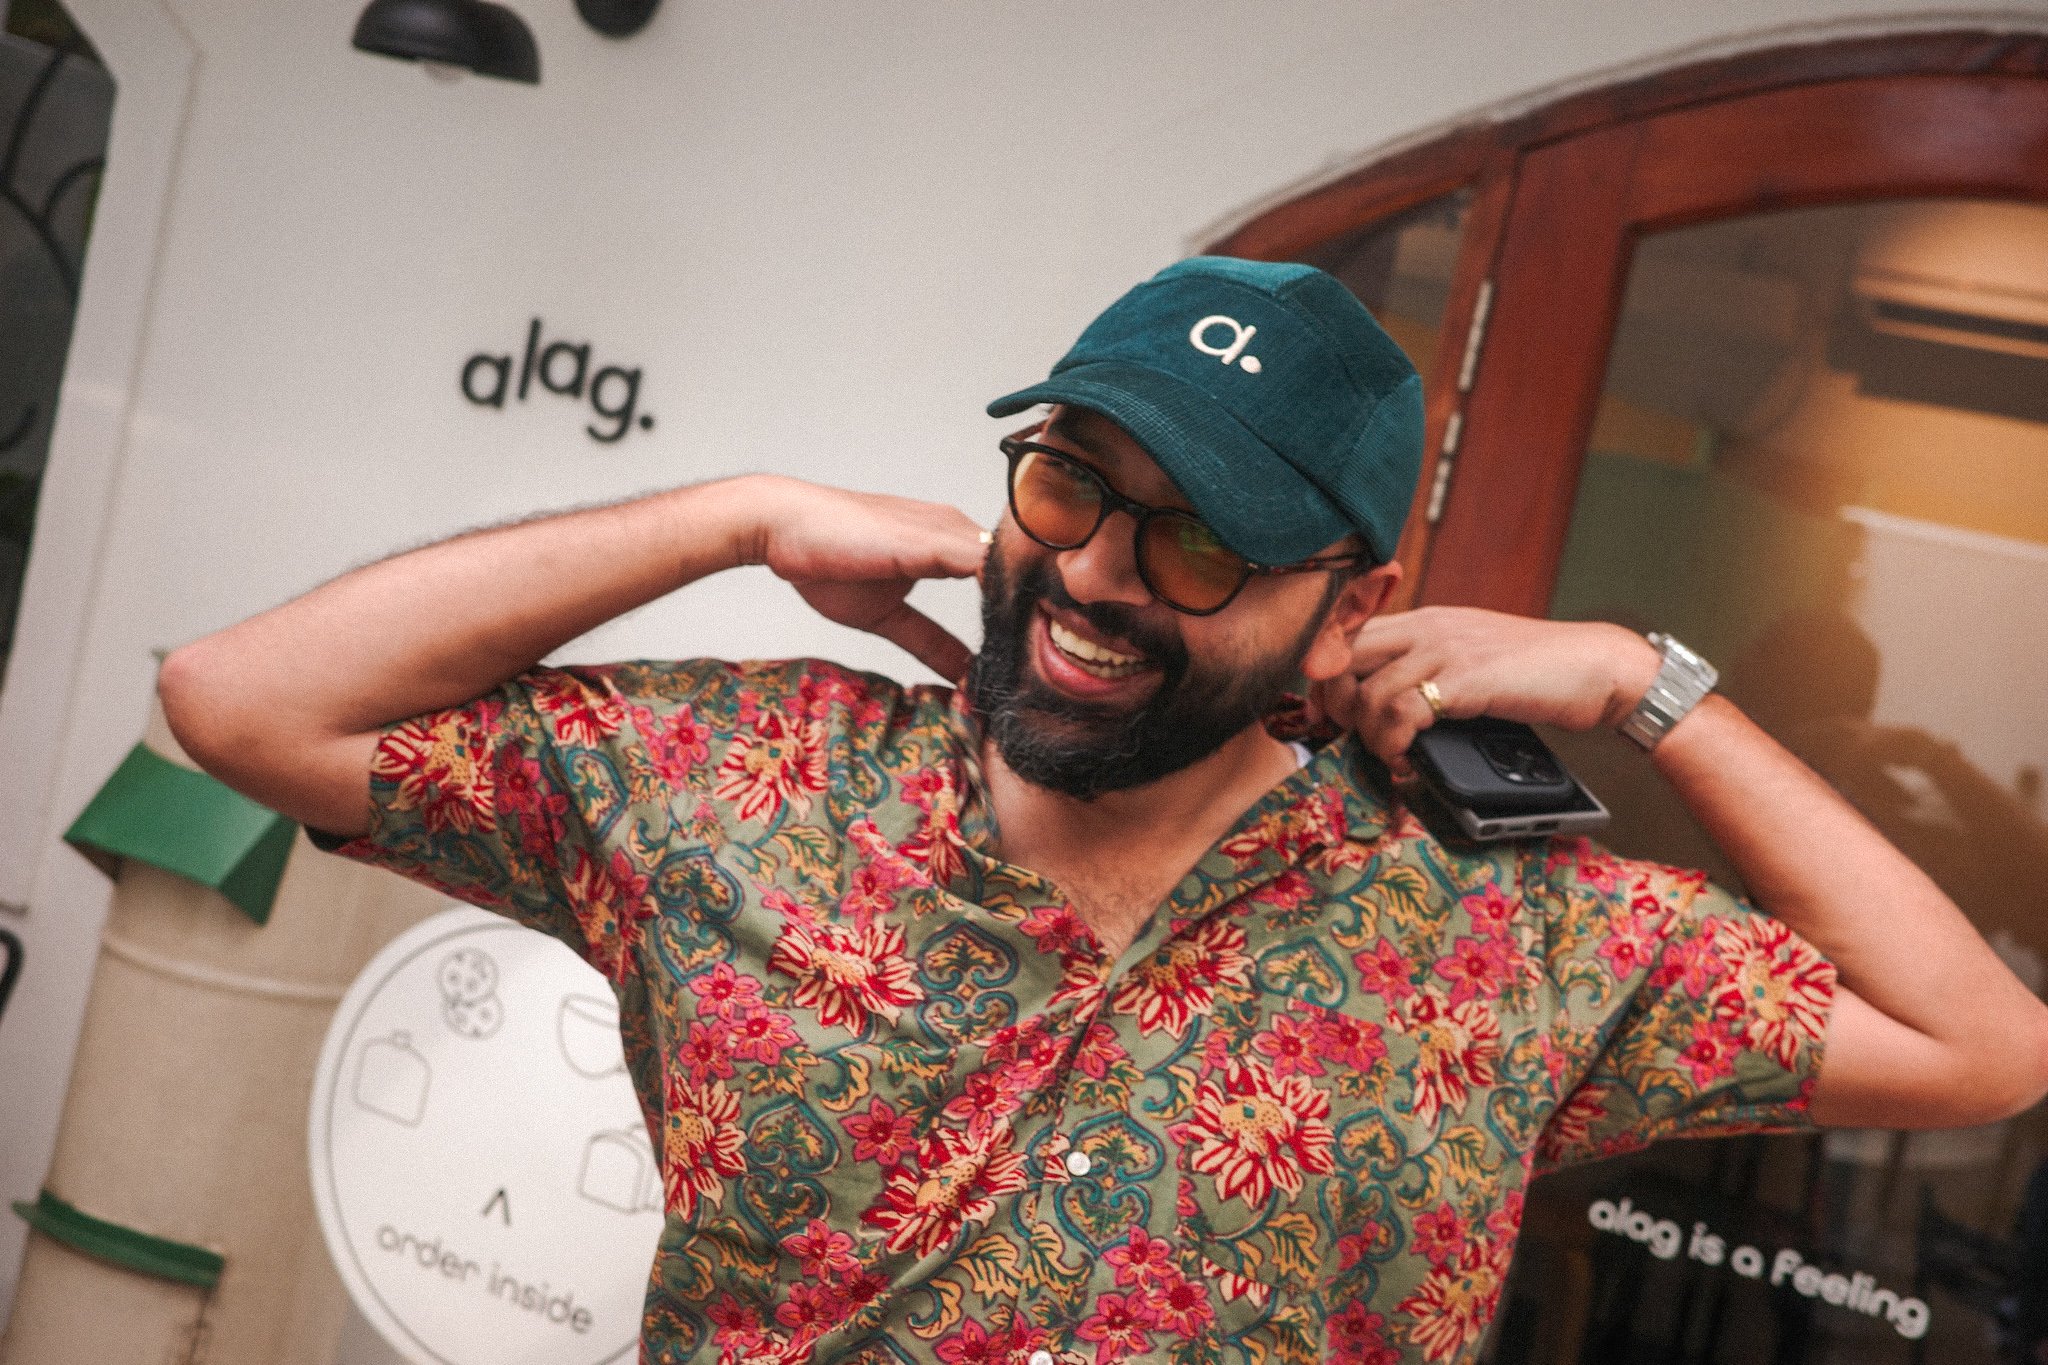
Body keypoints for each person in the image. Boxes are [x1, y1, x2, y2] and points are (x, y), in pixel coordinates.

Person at [158, 257, 2048, 1365]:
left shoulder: (1504, 939)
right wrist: (727, 516)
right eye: (1069, 486)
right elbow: (237, 704)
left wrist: (1647, 678)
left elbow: (1985, 1047)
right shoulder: (755, 784)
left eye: (1203, 536)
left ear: (1350, 605)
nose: (1096, 576)